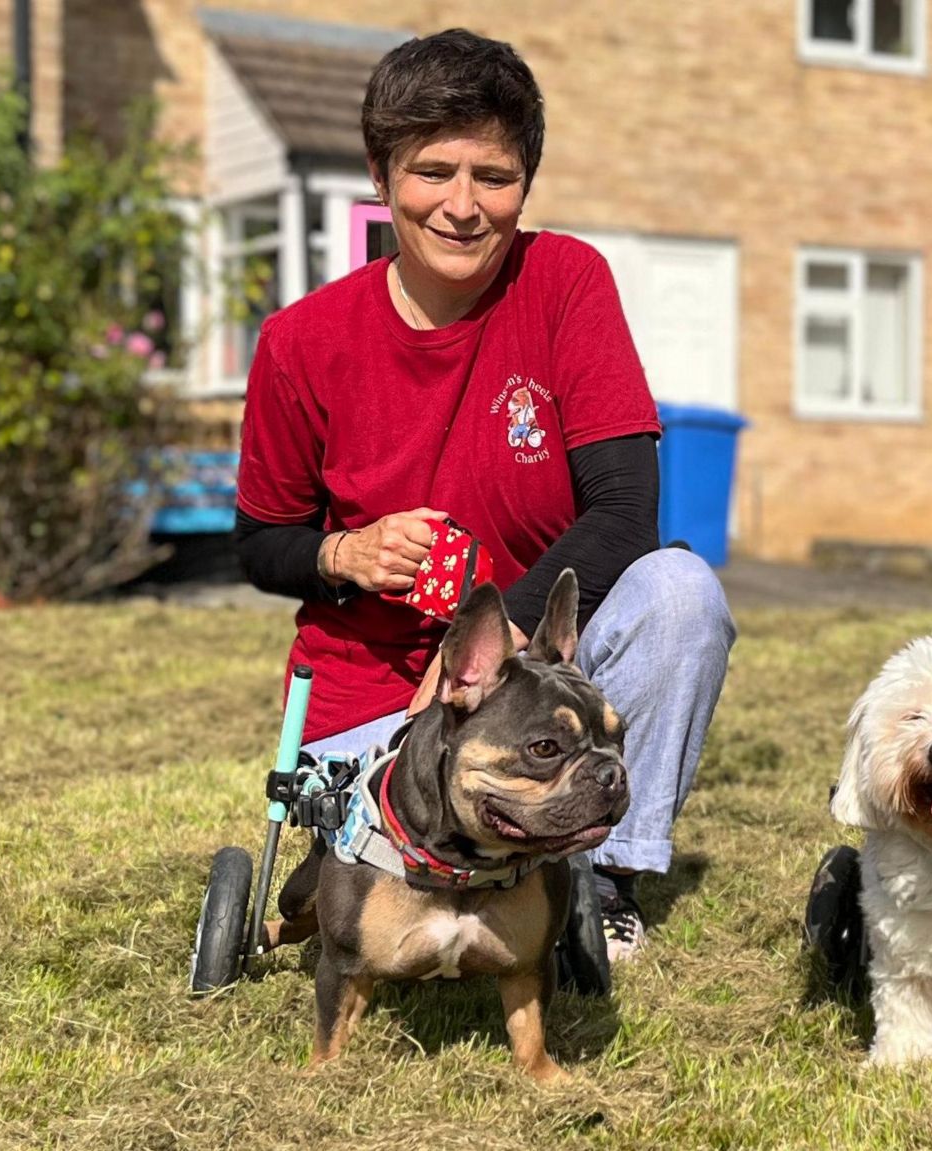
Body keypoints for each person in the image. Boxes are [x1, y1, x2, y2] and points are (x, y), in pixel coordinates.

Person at [231, 29, 734, 962]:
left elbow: (626, 509)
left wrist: (492, 654)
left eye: (493, 177)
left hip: (526, 690)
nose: (463, 207)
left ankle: (604, 878)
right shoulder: (301, 343)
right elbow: (260, 539)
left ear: (525, 186)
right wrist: (340, 555)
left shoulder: (565, 283)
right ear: (382, 179)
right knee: (386, 905)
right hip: (372, 704)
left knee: (681, 593)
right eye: (433, 172)